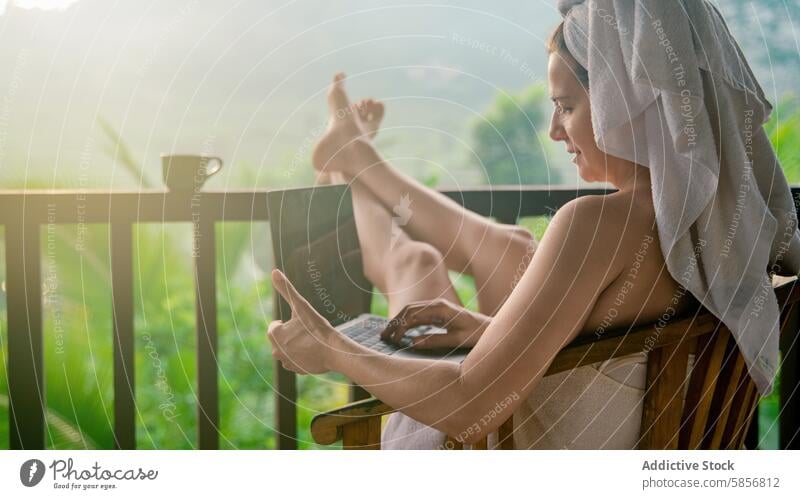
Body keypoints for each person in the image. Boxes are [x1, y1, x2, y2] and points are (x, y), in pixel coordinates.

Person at [265, 16, 705, 449]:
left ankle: (354, 162)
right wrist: (487, 330)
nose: (554, 131)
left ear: (625, 103)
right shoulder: (708, 218)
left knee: (413, 264)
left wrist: (333, 349)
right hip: (615, 439)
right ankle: (356, 157)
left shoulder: (597, 224)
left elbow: (470, 410)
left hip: (498, 449)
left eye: (567, 108)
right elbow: (613, 345)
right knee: (505, 248)